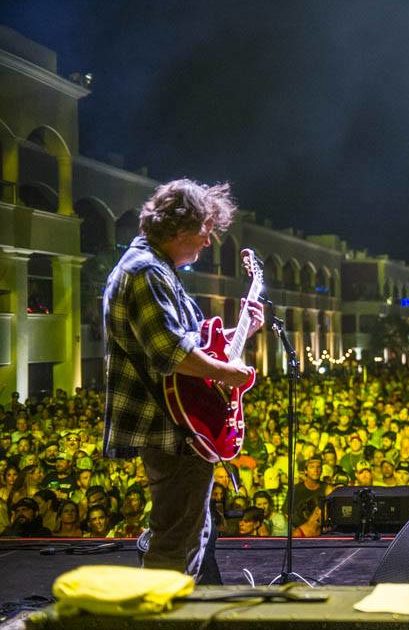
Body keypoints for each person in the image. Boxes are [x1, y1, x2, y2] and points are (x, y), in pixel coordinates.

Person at [102, 179, 263, 581]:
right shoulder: (145, 272)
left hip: (177, 424)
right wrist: (232, 375)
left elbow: (190, 343)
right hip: (167, 428)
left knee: (190, 528)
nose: (208, 242)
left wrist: (240, 333)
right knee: (178, 538)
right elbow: (170, 353)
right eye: (205, 232)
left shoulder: (161, 270)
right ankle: (162, 616)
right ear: (177, 229)